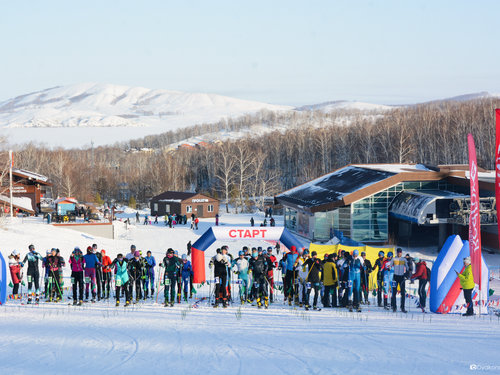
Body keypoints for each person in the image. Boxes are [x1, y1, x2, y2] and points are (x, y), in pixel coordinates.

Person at [390, 248, 408, 313]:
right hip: (395, 277)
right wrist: (389, 268)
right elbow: (389, 265)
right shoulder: (394, 259)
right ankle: (394, 307)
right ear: (396, 252)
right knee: (394, 293)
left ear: (401, 253)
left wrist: (407, 273)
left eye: (400, 252)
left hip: (402, 277)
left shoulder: (404, 259)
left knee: (403, 293)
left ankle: (402, 307)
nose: (399, 253)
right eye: (398, 252)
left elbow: (408, 267)